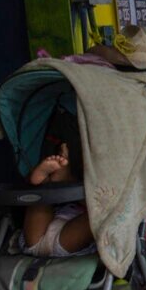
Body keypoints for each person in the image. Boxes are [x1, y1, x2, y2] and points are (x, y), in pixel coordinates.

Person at [22, 110, 95, 258]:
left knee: (41, 198)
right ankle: (54, 181)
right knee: (102, 210)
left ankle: (45, 182)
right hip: (68, 239)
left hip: (35, 238)